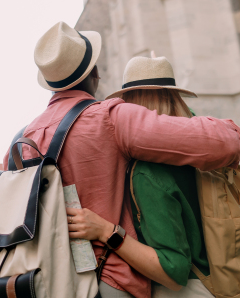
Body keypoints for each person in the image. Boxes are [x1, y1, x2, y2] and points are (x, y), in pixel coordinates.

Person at [3, 22, 240, 298]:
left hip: (37, 280)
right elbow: (217, 145)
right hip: (106, 281)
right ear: (94, 73)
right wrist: (233, 133)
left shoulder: (19, 141)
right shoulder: (108, 119)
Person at [67, 53, 214, 298]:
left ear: (130, 105)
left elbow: (174, 270)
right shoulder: (202, 147)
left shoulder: (148, 172)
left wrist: (106, 231)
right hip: (218, 280)